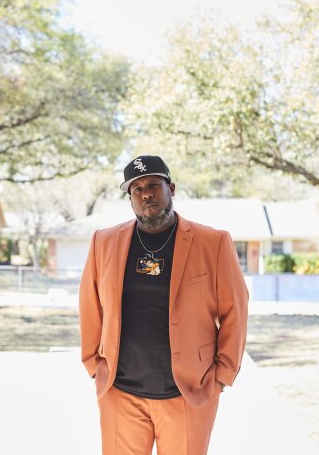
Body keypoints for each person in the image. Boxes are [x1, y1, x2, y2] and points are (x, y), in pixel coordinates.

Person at [79, 155, 249, 455]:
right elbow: (90, 306)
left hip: (187, 393)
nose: (146, 193)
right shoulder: (102, 242)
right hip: (120, 392)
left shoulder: (213, 242)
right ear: (130, 197)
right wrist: (95, 365)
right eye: (137, 188)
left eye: (154, 185)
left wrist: (222, 376)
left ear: (171, 188)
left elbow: (235, 310)